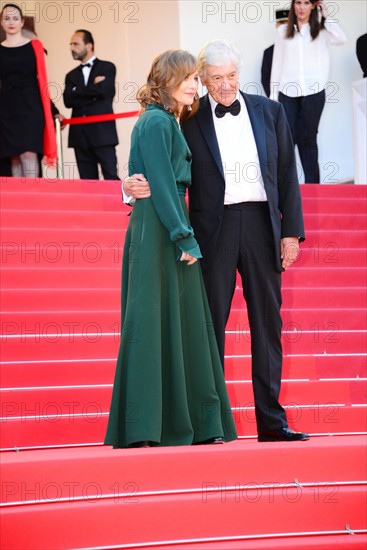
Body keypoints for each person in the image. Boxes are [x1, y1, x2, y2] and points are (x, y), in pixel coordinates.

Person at [125, 39, 309, 443]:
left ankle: (272, 422)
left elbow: (288, 176)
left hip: (262, 225)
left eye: (231, 77)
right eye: (214, 79)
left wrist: (291, 232)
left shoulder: (271, 112)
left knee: (267, 325)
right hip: (212, 230)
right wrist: (128, 184)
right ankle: (211, 425)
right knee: (208, 328)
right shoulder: (184, 119)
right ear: (202, 80)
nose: (225, 86)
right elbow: (157, 166)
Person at [104, 49, 237, 449]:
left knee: (181, 323)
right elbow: (160, 184)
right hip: (163, 227)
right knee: (151, 324)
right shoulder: (157, 121)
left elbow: (146, 176)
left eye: (197, 79)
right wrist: (185, 237)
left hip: (163, 222)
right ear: (167, 79)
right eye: (189, 79)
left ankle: (189, 423)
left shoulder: (167, 120)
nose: (195, 87)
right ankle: (147, 426)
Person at [270, 0, 347, 183]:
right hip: (287, 92)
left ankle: (313, 186)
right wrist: (273, 95)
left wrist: (325, 12)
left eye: (306, 3)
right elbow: (277, 63)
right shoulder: (282, 32)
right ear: (293, 5)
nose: (301, 7)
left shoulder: (322, 32)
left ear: (313, 6)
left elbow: (341, 38)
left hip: (314, 92)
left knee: (308, 139)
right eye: (298, 3)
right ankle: (287, 187)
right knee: (287, 140)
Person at [0, 3, 57, 177]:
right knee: (14, 158)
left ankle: (33, 198)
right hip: (7, 108)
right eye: (6, 18)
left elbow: (43, 80)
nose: (11, 22)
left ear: (22, 22)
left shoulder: (35, 46)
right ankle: (20, 202)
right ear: (1, 22)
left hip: (31, 107)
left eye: (15, 18)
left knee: (29, 153)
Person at [63, 30, 119, 181]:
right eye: (70, 44)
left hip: (103, 134)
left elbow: (105, 92)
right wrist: (93, 90)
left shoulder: (107, 67)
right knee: (87, 183)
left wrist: (77, 91)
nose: (72, 48)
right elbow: (68, 101)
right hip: (79, 136)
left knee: (111, 177)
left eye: (76, 44)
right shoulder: (71, 75)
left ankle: (117, 206)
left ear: (89, 46)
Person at [261, 9, 289, 98]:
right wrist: (274, 97)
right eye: (282, 23)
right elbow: (265, 78)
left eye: (287, 24)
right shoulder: (269, 52)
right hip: (277, 99)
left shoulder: (300, 50)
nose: (284, 27)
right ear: (277, 26)